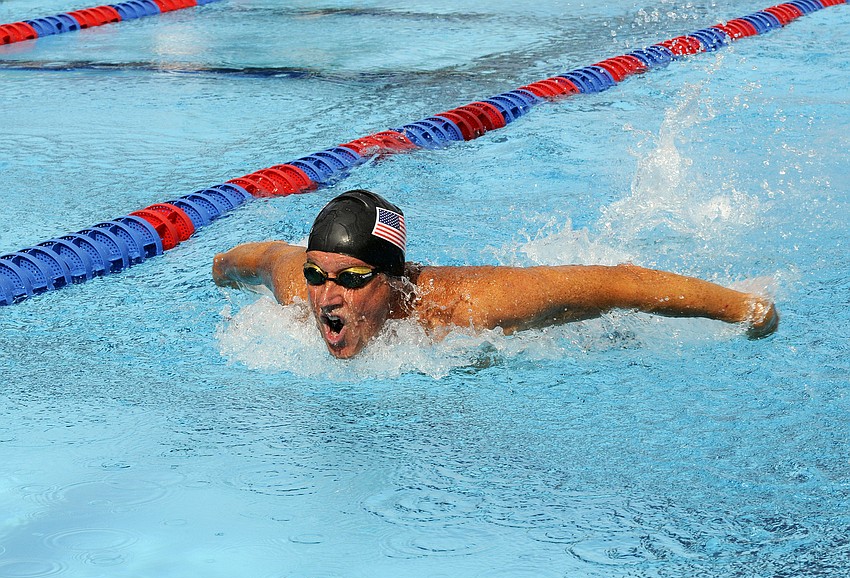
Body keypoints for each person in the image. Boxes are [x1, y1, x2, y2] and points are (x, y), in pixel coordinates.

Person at [213, 190, 778, 359]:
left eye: (353, 279)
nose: (326, 298)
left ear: (394, 280)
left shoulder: (467, 307)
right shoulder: (300, 285)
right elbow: (260, 256)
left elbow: (617, 282)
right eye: (319, 275)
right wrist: (218, 268)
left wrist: (745, 309)